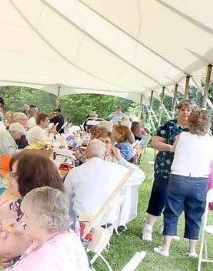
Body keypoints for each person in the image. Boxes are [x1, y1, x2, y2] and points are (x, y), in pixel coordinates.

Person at [154, 109, 213, 258]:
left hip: (178, 177)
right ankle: (192, 251)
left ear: (190, 122)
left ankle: (166, 248)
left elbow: (174, 150)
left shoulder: (181, 136)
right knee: (195, 214)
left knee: (172, 211)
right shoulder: (210, 140)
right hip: (200, 180)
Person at [64, 140, 145, 226]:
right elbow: (140, 175)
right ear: (105, 154)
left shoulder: (75, 172)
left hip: (80, 222)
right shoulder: (116, 170)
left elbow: (66, 199)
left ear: (86, 153)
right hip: (105, 222)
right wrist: (120, 159)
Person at [142, 101, 191, 241]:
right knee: (159, 196)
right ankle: (148, 228)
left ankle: (167, 227)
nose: (185, 112)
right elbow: (154, 142)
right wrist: (171, 148)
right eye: (182, 109)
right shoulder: (170, 125)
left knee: (176, 200)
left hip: (183, 170)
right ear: (178, 111)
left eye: (188, 110)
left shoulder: (194, 129)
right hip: (164, 167)